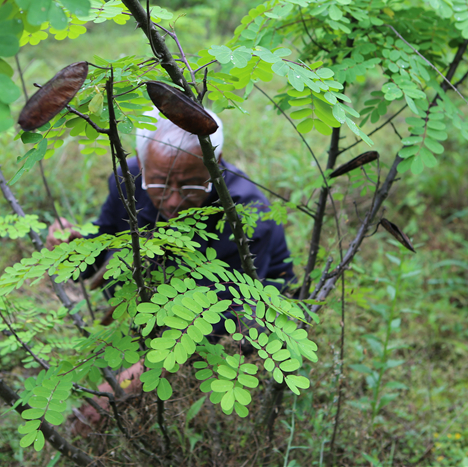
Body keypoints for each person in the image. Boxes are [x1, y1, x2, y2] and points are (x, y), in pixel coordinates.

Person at [46, 108, 295, 337]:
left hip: (236, 304)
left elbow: (228, 310)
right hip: (165, 298)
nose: (174, 200)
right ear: (142, 165)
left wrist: (151, 365)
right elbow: (105, 239)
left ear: (214, 165)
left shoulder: (248, 213)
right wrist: (75, 251)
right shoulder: (128, 179)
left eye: (190, 184)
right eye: (160, 183)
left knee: (253, 326)